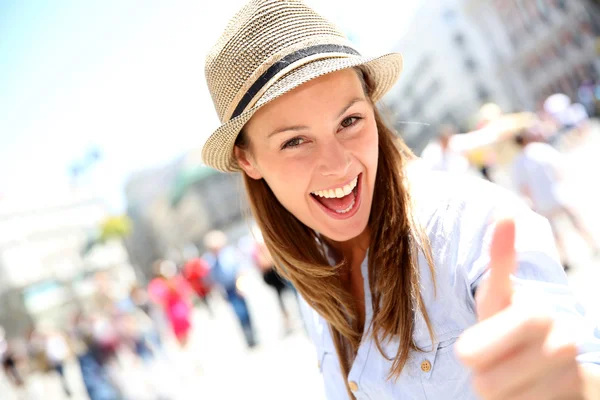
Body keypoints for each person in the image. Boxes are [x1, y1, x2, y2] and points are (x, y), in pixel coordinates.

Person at [201, 1, 600, 398]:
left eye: (350, 121)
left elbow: (573, 361)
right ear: (247, 158)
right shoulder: (313, 275)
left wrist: (567, 385)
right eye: (295, 141)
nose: (338, 166)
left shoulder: (471, 225)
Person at [512, 127, 599, 270]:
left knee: (554, 230)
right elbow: (560, 167)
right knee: (575, 220)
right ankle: (593, 244)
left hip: (541, 200)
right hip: (558, 193)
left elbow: (523, 187)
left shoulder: (519, 161)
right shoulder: (542, 149)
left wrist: (532, 201)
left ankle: (565, 258)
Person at [202, 230, 257, 348]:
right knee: (238, 312)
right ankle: (248, 336)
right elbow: (210, 277)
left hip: (236, 285)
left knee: (245, 311)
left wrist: (240, 284)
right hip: (226, 289)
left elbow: (240, 268)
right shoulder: (209, 260)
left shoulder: (229, 253)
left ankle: (252, 334)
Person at [148, 260, 194, 347]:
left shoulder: (176, 280)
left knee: (187, 331)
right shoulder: (158, 283)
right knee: (179, 333)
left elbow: (186, 290)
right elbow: (156, 299)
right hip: (171, 311)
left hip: (182, 308)